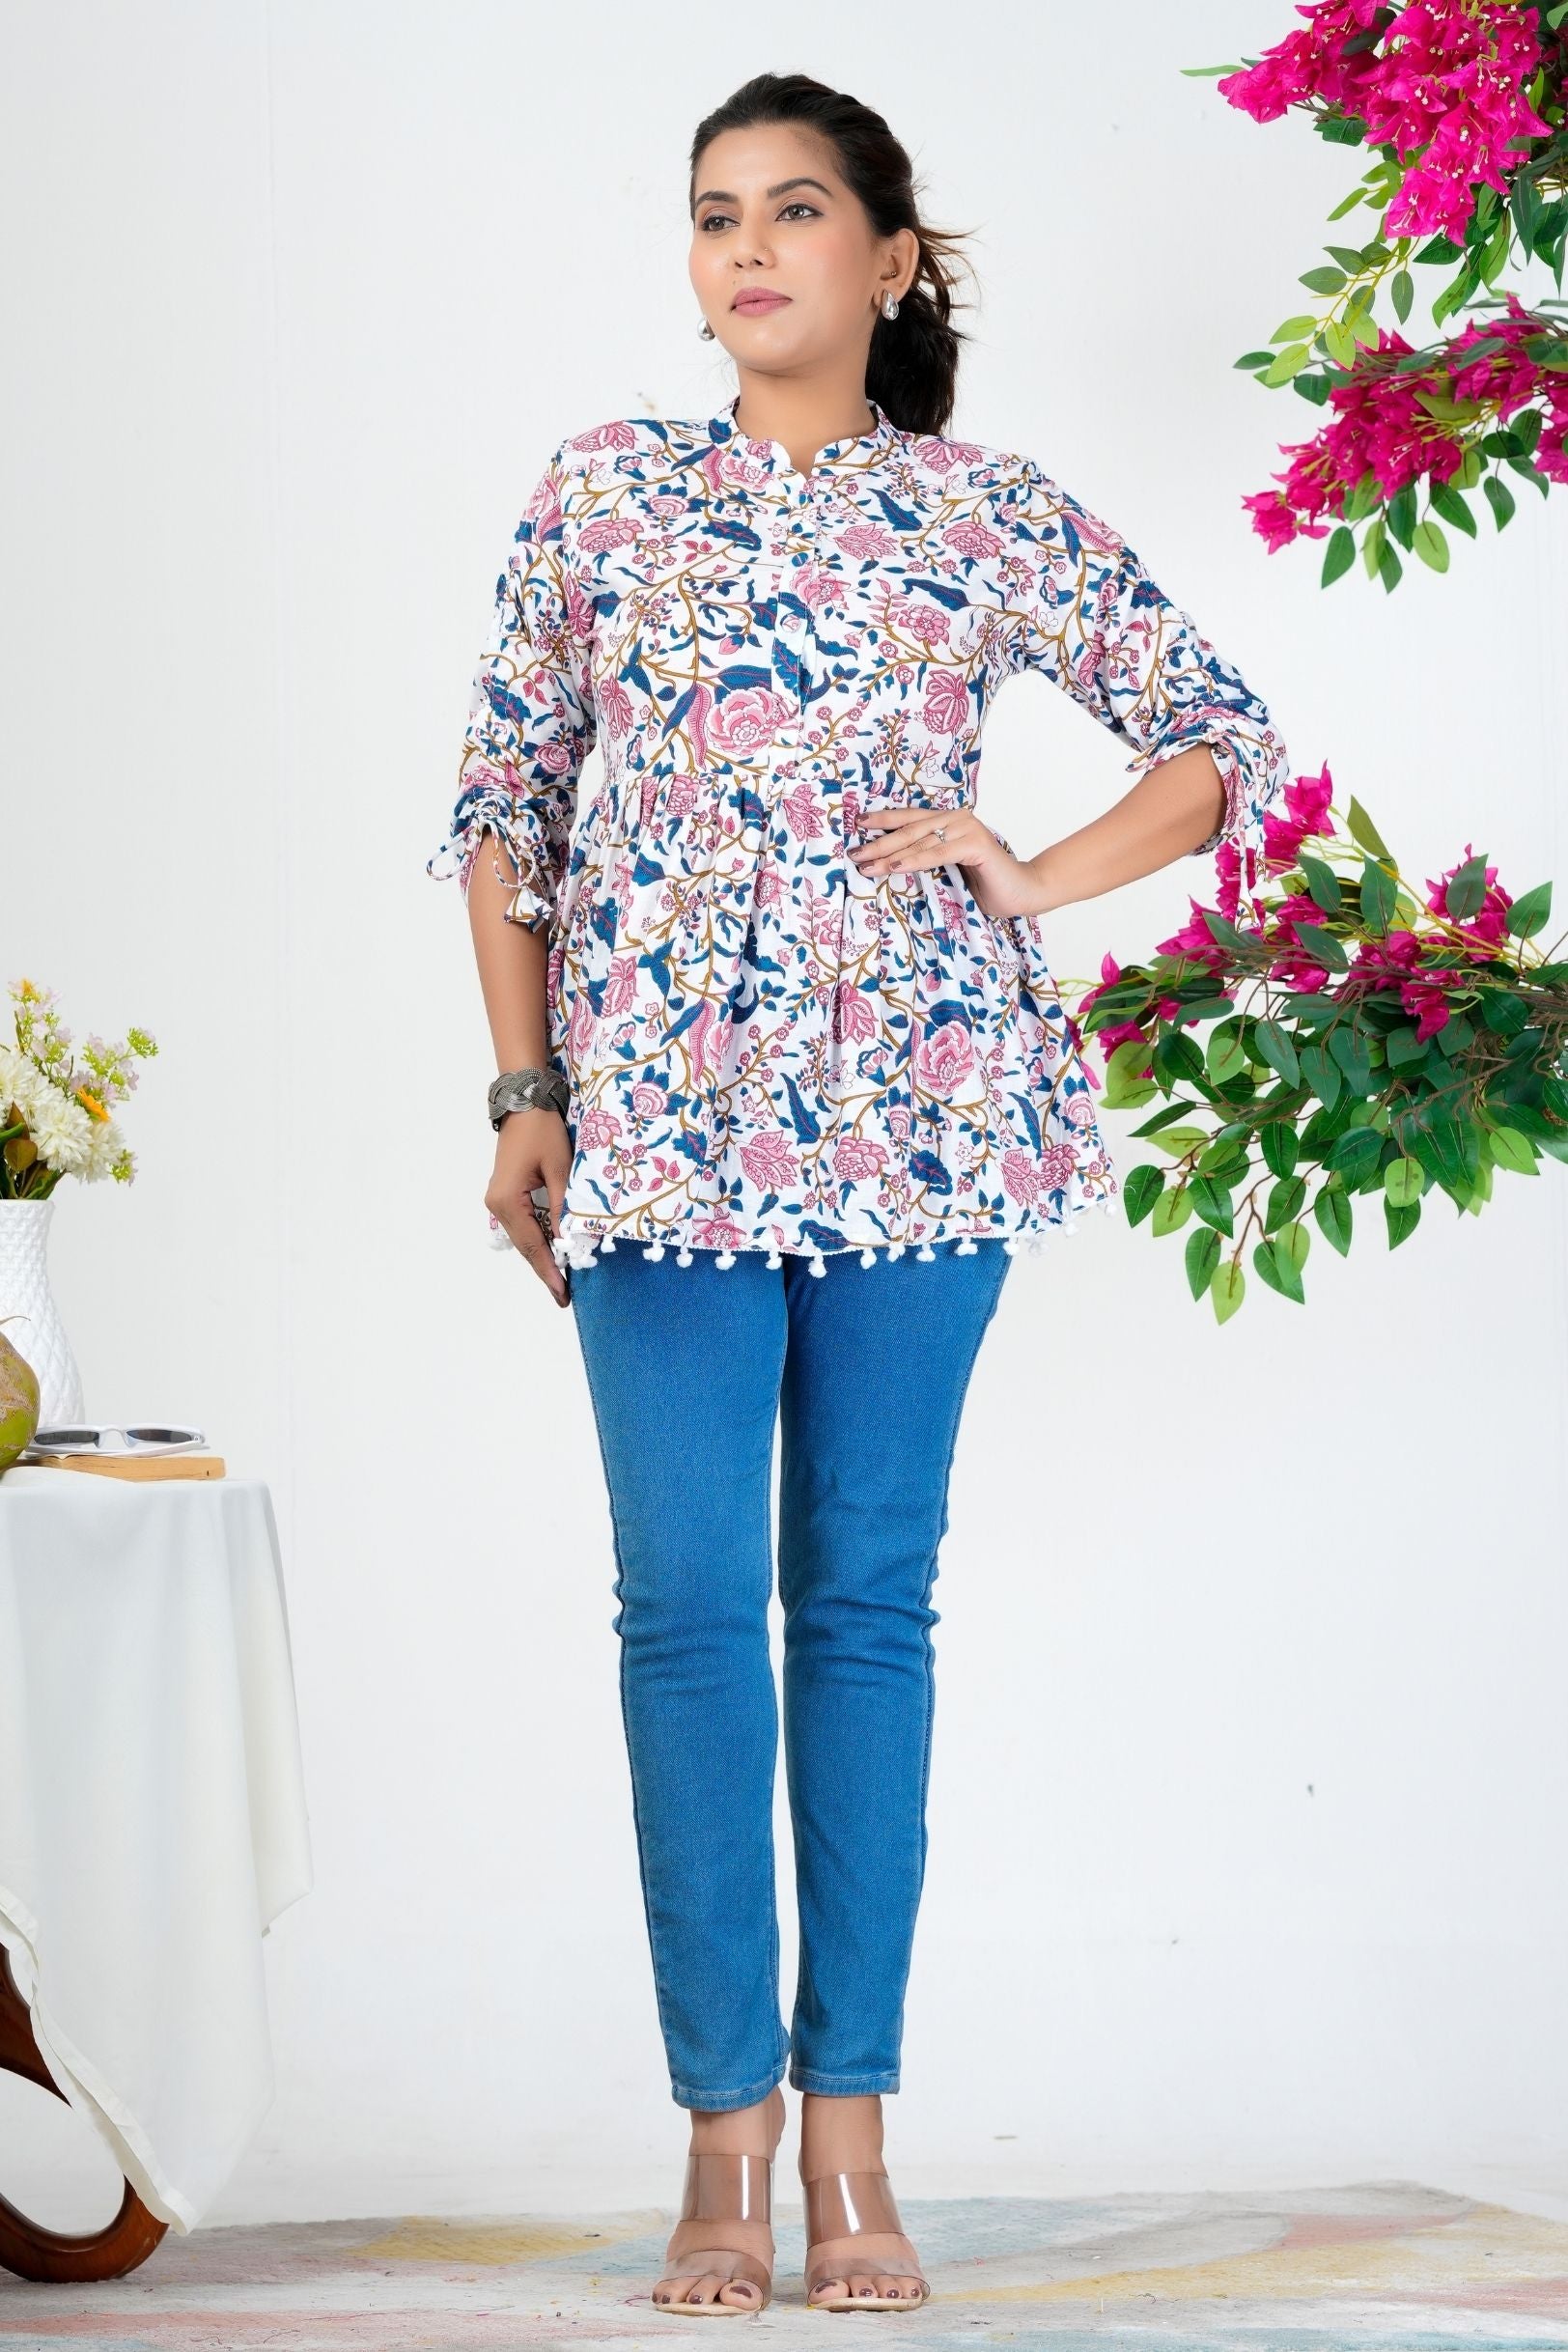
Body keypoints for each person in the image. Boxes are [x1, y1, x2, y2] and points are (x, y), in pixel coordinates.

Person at [428, 70, 1289, 2320]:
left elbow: (1213, 737)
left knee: (864, 1615)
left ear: (890, 260)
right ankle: (718, 2140)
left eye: (794, 209)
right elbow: (505, 805)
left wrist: (1032, 871)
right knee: (683, 1616)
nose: (746, 247)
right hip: (657, 1136)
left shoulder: (982, 509)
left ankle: (851, 2148)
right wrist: (522, 1087)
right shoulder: (603, 491)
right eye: (714, 212)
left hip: (925, 1124)